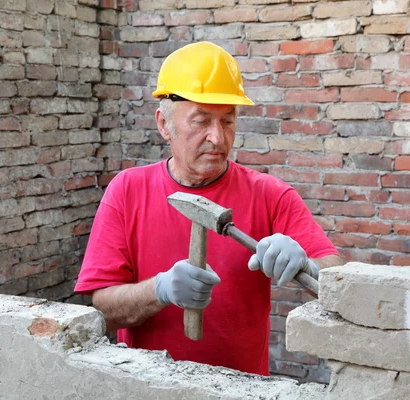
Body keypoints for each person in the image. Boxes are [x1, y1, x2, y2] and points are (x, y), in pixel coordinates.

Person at [74, 41, 344, 376]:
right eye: (201, 121)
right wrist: (160, 290)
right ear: (164, 124)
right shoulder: (128, 190)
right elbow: (103, 310)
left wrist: (310, 265)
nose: (217, 137)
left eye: (227, 121)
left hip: (242, 388)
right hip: (146, 385)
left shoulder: (269, 194)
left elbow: (336, 273)